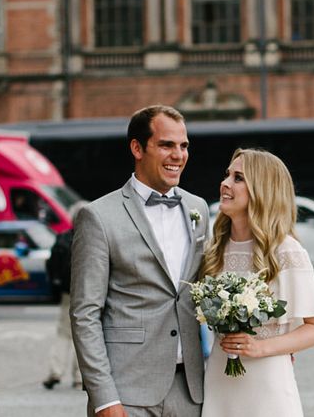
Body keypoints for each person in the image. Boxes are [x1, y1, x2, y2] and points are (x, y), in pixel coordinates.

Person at [70, 105, 209, 417]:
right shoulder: (98, 216)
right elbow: (84, 314)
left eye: (183, 146)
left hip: (190, 392)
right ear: (137, 148)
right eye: (166, 145)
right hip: (126, 391)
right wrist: (104, 398)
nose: (178, 155)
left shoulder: (197, 209)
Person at [200, 148, 314, 417]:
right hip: (218, 378)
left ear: (262, 190)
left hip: (267, 382)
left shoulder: (285, 250)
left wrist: (261, 347)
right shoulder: (213, 249)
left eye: (238, 178)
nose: (225, 183)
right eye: (227, 175)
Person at [43, 201, 87, 390]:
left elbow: (51, 266)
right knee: (84, 333)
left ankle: (55, 371)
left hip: (67, 293)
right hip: (88, 293)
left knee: (63, 333)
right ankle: (79, 377)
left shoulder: (62, 239)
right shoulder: (90, 239)